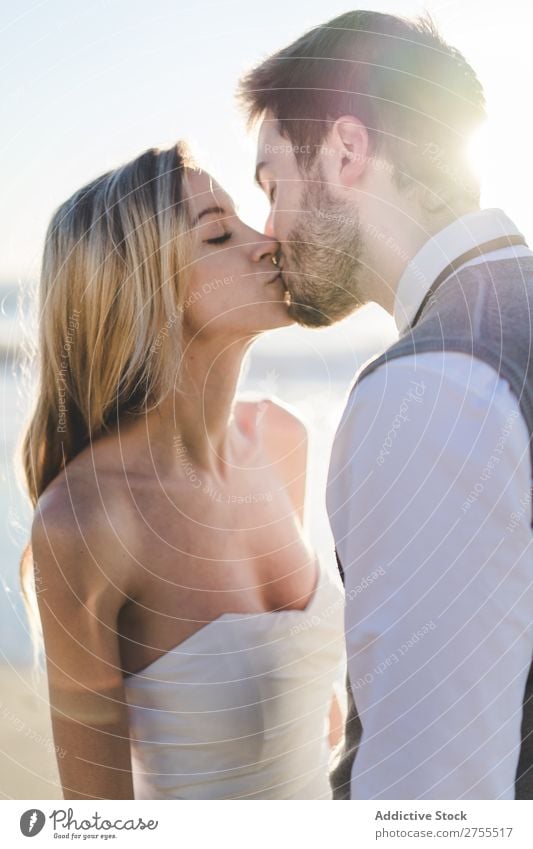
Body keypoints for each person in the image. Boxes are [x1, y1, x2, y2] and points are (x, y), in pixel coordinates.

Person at [239, 9, 533, 799]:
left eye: (272, 183)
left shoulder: (432, 383)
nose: (267, 231)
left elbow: (430, 796)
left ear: (344, 150)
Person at [18, 142, 345, 799]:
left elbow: (323, 723)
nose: (267, 241)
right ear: (142, 291)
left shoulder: (280, 438)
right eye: (219, 232)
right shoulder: (85, 521)